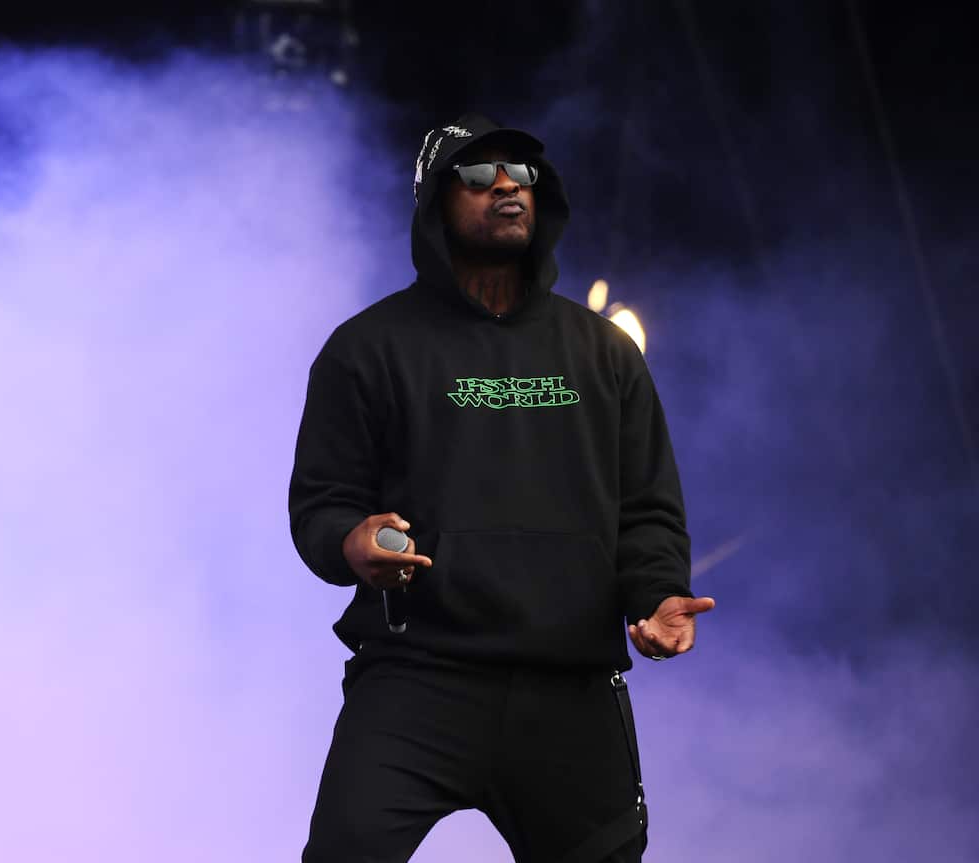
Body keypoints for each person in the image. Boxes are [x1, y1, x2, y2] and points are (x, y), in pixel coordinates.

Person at [287, 113, 715, 863]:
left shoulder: (605, 352)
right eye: (480, 174)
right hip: (417, 675)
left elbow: (647, 508)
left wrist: (655, 594)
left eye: (522, 173)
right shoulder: (367, 349)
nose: (508, 186)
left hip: (569, 682)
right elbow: (322, 503)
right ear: (434, 201)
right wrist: (351, 543)